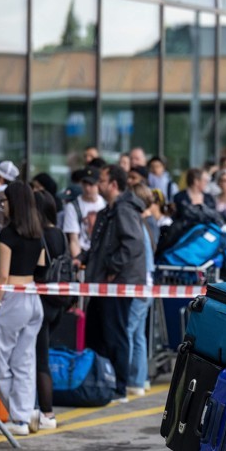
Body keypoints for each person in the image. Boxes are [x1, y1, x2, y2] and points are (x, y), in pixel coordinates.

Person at [83, 165, 146, 404]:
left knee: (115, 334)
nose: (97, 184)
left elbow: (133, 244)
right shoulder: (109, 211)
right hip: (102, 283)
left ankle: (119, 386)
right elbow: (100, 247)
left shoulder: (123, 210)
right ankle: (102, 381)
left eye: (102, 180)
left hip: (118, 284)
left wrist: (112, 268)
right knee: (97, 333)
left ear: (113, 185)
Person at [0, 181, 47, 437]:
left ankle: (18, 415)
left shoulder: (8, 234)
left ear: (14, 203)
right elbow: (42, 267)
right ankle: (23, 415)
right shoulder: (37, 233)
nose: (3, 205)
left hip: (11, 297)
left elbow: (2, 275)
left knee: (0, 361)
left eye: (5, 201)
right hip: (33, 295)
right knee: (24, 361)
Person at [31, 189, 65, 430]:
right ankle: (43, 410)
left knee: (39, 360)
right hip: (57, 302)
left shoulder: (39, 235)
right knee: (41, 356)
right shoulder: (60, 234)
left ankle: (47, 413)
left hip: (41, 301)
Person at [126, 183, 157, 397]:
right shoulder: (149, 224)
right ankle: (139, 379)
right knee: (138, 334)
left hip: (140, 285)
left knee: (129, 331)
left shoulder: (140, 224)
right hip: (147, 284)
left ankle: (129, 378)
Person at [61, 167, 107, 264]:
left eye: (91, 184)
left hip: (101, 255)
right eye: (84, 184)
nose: (87, 188)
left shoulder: (105, 204)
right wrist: (78, 261)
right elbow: (74, 239)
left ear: (98, 184)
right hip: (82, 252)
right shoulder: (73, 206)